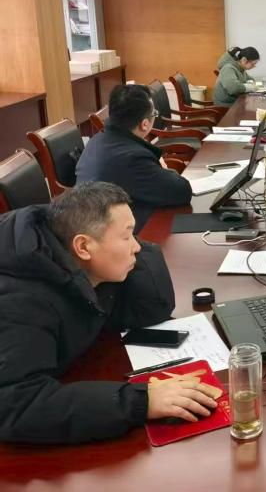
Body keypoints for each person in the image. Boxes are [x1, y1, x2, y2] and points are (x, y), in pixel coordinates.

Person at [0, 182, 218, 444]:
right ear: (83, 247)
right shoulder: (20, 302)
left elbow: (149, 310)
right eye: (127, 237)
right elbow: (17, 404)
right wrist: (140, 401)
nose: (138, 246)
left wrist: (126, 245)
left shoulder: (77, 256)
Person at [76, 84, 192, 234]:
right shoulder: (133, 158)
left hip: (91, 223)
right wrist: (162, 166)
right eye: (154, 114)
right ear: (145, 124)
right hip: (112, 236)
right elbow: (182, 191)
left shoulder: (97, 140)